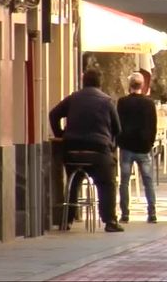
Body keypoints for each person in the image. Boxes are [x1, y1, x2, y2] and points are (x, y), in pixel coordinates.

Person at [49, 69, 124, 232]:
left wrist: (61, 135)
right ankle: (110, 221)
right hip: (98, 151)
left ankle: (66, 220)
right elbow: (118, 129)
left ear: (83, 82)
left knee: (73, 181)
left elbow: (53, 114)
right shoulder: (107, 101)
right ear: (100, 83)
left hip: (72, 150)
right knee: (107, 183)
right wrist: (110, 144)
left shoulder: (73, 98)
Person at [116, 72, 158, 224]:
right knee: (148, 181)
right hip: (144, 147)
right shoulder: (149, 103)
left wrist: (119, 142)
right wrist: (150, 143)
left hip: (126, 146)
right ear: (143, 86)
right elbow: (153, 125)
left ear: (129, 86)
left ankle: (125, 213)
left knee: (124, 182)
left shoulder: (122, 102)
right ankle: (152, 213)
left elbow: (117, 124)